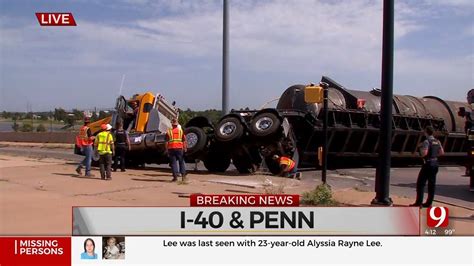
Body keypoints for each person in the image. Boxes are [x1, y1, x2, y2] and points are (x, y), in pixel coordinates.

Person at [411, 126, 445, 207]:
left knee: (421, 183)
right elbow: (441, 152)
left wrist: (420, 149)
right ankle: (429, 203)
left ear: (426, 132)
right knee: (431, 184)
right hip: (435, 164)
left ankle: (418, 203)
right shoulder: (437, 141)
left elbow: (425, 153)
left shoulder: (426, 141)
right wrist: (434, 155)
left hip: (428, 164)